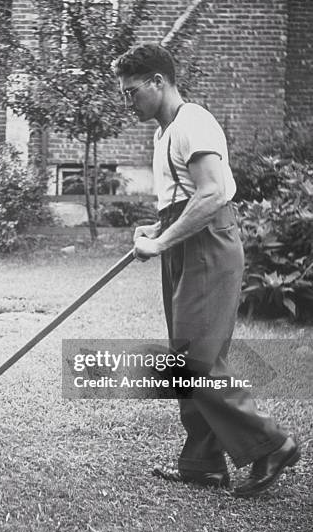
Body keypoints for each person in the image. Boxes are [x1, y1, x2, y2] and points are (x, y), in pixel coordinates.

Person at [112, 43, 300, 497]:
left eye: (131, 91)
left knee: (195, 361)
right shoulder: (164, 131)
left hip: (208, 247)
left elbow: (213, 193)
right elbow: (182, 198)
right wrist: (156, 226)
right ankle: (203, 463)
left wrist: (161, 240)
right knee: (187, 358)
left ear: (159, 81)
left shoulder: (193, 121)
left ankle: (271, 444)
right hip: (185, 245)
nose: (127, 101)